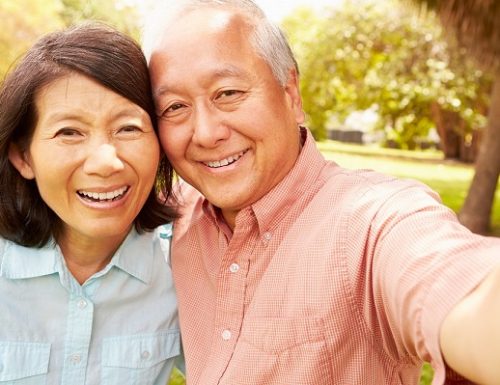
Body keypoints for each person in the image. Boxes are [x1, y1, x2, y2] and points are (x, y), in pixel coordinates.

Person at [144, 1, 500, 384]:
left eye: (228, 93)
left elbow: (458, 292)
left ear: (291, 94)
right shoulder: (178, 213)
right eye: (175, 107)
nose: (206, 133)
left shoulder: (370, 223)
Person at [0, 23, 180, 384]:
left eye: (128, 128)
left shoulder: (185, 269)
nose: (106, 161)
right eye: (69, 132)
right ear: (23, 156)